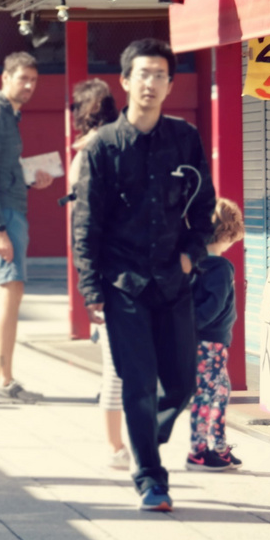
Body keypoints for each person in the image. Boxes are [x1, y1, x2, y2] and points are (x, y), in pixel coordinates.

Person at [73, 38, 215, 512]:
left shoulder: (184, 139)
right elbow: (86, 222)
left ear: (170, 85)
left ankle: (143, 434)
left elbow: (204, 207)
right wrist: (90, 287)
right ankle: (150, 478)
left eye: (159, 75)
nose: (150, 83)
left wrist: (192, 256)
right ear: (126, 81)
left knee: (180, 384)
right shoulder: (103, 148)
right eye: (143, 74)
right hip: (122, 286)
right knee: (136, 383)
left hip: (173, 280)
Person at [0, 52, 54, 405]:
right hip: (1, 214)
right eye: (23, 78)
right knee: (10, 294)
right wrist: (0, 228)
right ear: (6, 77)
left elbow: (1, 173)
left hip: (2, 209)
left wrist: (30, 181)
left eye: (33, 80)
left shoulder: (6, 117)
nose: (30, 86)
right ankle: (3, 383)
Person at [65, 78, 125, 469]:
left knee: (120, 366)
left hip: (112, 270)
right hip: (114, 271)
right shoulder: (100, 153)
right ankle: (116, 447)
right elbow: (84, 225)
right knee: (119, 368)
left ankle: (120, 446)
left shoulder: (87, 154)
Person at [187, 198, 245, 472]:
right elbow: (213, 305)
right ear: (228, 233)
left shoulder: (195, 264)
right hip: (210, 343)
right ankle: (199, 451)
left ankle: (218, 446)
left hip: (206, 341)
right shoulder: (221, 268)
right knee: (206, 396)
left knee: (220, 392)